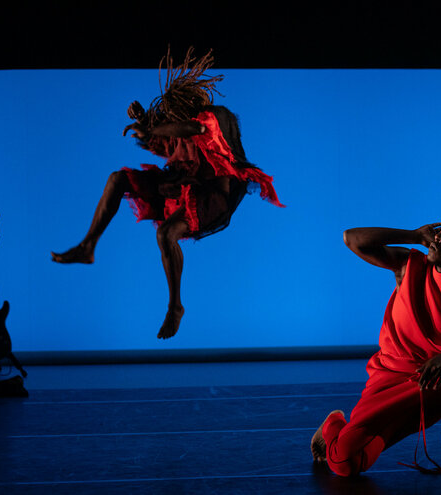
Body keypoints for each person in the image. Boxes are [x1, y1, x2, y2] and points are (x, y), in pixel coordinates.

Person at [51, 47, 284, 339]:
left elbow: (189, 129)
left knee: (165, 234)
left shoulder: (213, 119)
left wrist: (155, 126)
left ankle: (175, 306)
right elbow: (165, 143)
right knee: (117, 179)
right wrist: (145, 124)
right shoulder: (175, 130)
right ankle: (87, 247)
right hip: (177, 188)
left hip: (209, 199)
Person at [311, 209, 441, 476]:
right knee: (345, 464)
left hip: (434, 378)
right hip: (390, 381)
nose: (438, 236)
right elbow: (351, 238)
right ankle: (333, 424)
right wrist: (412, 235)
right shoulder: (409, 264)